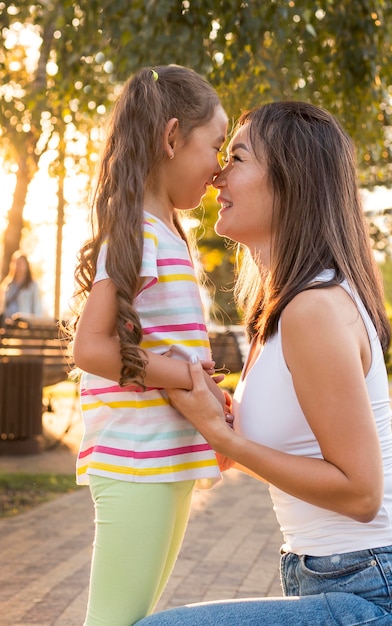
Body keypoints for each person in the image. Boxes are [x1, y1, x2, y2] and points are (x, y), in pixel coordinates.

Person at [135, 102, 392, 625]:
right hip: (342, 582)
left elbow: (361, 493)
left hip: (390, 596)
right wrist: (222, 430)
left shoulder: (313, 307)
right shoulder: (280, 311)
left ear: (291, 181)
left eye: (238, 157)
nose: (218, 173)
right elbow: (294, 456)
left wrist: (227, 440)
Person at [70, 65, 229, 626]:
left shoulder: (167, 235)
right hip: (137, 463)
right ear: (170, 138)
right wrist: (185, 376)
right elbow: (89, 349)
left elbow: (164, 350)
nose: (219, 170)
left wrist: (201, 385)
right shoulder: (135, 233)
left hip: (166, 462)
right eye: (215, 146)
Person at [0, 251, 43, 323]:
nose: (18, 266)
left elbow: (37, 309)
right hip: (8, 325)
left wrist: (36, 325)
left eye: (20, 264)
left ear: (26, 266)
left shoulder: (32, 285)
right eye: (16, 263)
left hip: (25, 325)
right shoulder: (7, 284)